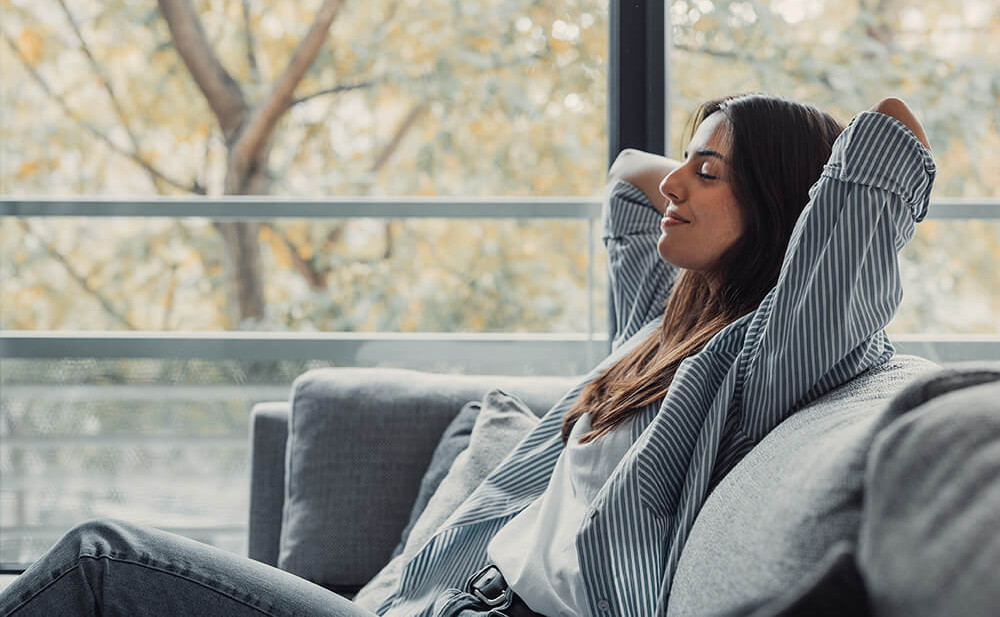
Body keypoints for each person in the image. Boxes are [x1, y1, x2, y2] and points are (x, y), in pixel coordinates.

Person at [0, 94, 935, 617]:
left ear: (780, 205)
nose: (674, 189)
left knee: (98, 561)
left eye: (708, 173)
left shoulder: (764, 359)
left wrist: (767, 163)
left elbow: (885, 141)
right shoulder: (658, 335)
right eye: (685, 166)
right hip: (433, 606)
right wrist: (718, 161)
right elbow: (624, 178)